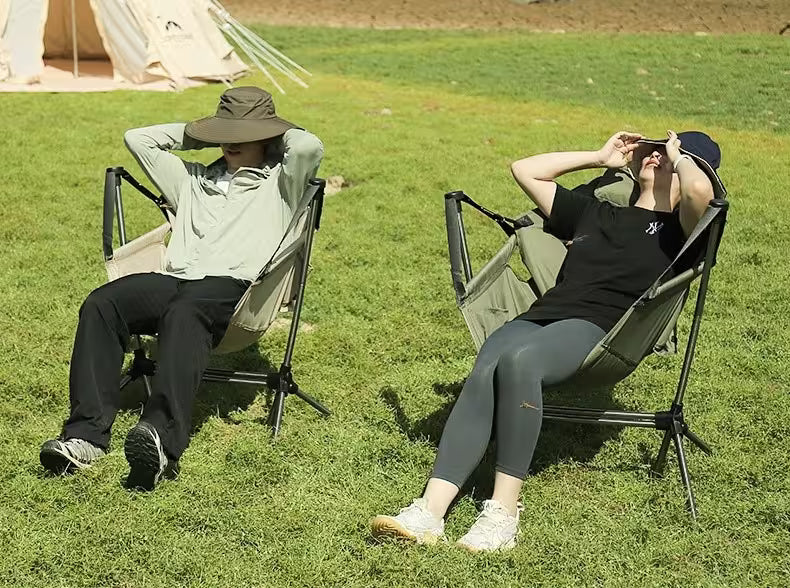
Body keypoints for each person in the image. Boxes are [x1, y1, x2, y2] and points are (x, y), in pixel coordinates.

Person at [371, 129, 720, 551]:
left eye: (670, 156)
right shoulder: (597, 213)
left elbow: (703, 191)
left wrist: (680, 158)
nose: (657, 158)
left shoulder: (684, 233)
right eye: (654, 151)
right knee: (491, 359)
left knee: (521, 362)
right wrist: (598, 157)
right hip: (544, 314)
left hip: (605, 330)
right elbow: (526, 170)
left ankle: (503, 512)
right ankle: (430, 511)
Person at [40, 86, 324, 490]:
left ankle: (159, 437)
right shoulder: (193, 180)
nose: (230, 142)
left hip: (234, 291)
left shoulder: (281, 184)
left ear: (267, 137)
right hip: (174, 280)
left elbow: (309, 145)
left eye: (242, 134)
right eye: (224, 133)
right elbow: (138, 138)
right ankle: (85, 437)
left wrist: (272, 134)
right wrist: (202, 134)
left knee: (186, 311)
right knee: (102, 303)